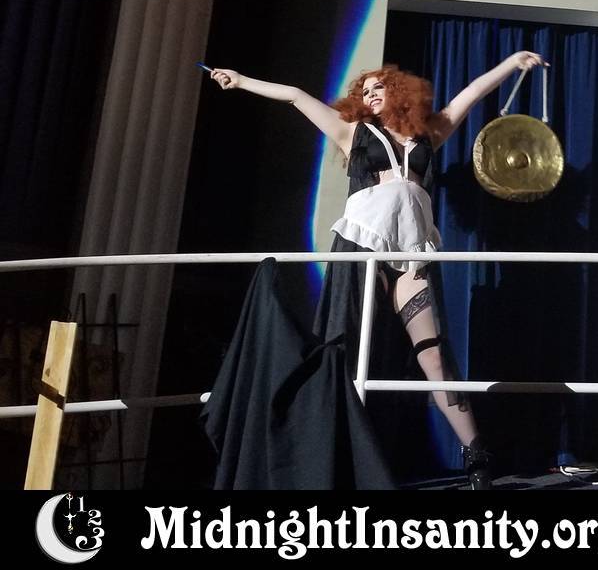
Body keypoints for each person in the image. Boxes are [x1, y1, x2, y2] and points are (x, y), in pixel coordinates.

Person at [210, 51, 547, 489]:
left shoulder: (428, 134)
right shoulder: (353, 132)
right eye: (364, 91)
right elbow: (295, 96)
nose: (370, 94)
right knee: (348, 351)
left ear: (398, 91)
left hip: (412, 253)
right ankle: (329, 456)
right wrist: (239, 79)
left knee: (433, 355)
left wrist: (512, 63)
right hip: (362, 245)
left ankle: (476, 455)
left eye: (378, 87)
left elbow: (470, 95)